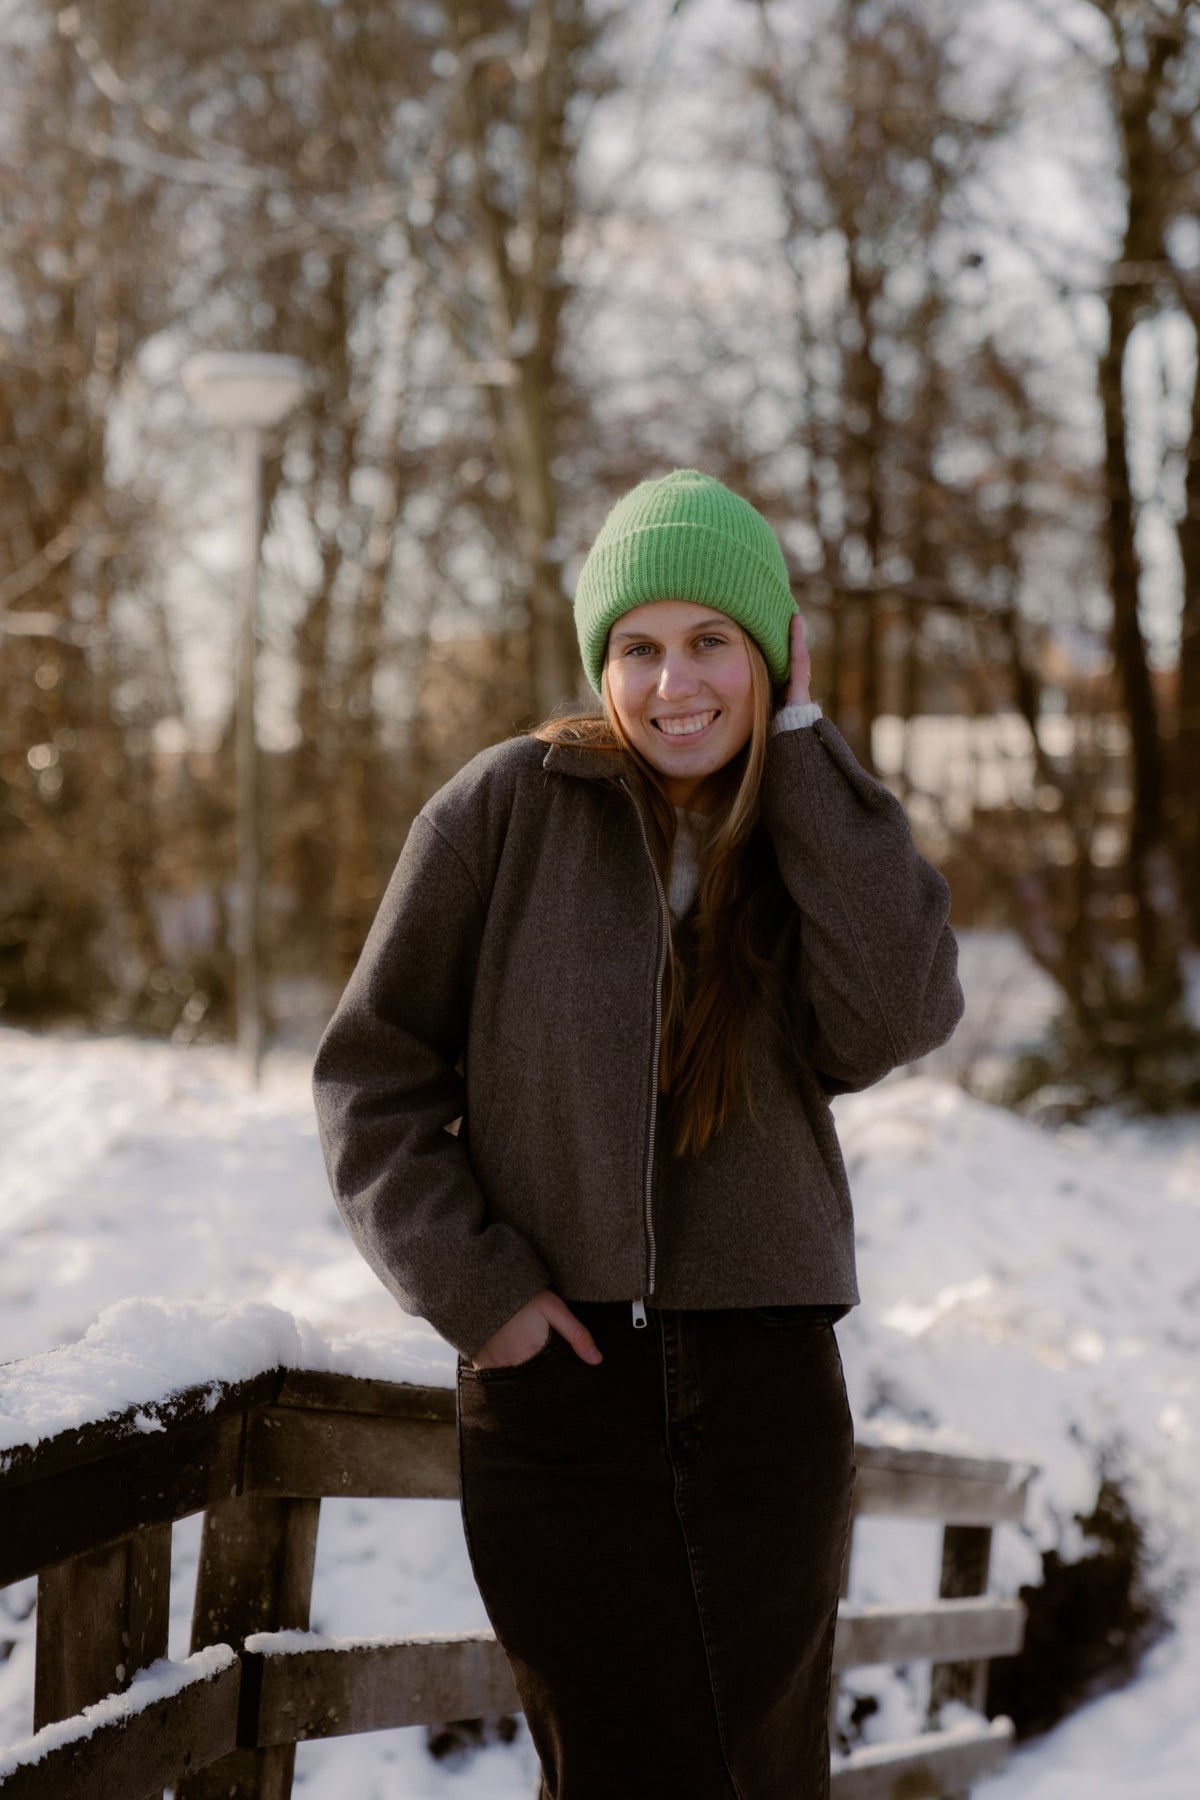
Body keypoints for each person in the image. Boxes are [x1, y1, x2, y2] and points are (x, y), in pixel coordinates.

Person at [312, 468, 964, 1800]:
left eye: (712, 641)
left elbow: (896, 1014)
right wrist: (483, 1297)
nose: (676, 683)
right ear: (599, 664)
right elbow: (372, 1076)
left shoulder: (803, 831)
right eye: (640, 647)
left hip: (767, 1387)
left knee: (764, 1771)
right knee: (613, 1771)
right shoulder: (501, 810)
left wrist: (805, 755)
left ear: (771, 657)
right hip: (562, 1389)